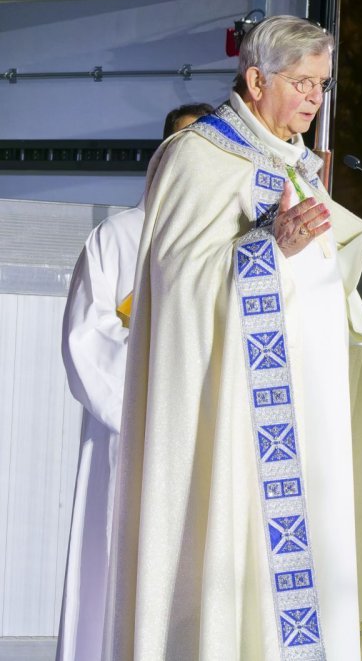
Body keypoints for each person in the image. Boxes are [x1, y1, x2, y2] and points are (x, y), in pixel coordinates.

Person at [104, 15, 362, 661]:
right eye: (301, 82)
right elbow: (179, 287)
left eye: (321, 86)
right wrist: (268, 248)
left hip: (308, 427)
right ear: (256, 79)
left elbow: (327, 282)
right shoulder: (195, 158)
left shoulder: (297, 169)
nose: (313, 99)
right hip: (238, 429)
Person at [56, 102, 213, 661]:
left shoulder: (227, 250)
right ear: (161, 158)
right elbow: (85, 341)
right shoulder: (117, 238)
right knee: (117, 577)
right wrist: (162, 392)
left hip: (203, 446)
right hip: (130, 443)